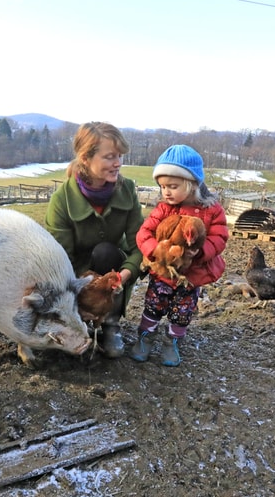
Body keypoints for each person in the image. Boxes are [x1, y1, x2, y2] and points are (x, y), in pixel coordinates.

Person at [45, 122, 144, 358]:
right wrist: (80, 297)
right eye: (109, 157)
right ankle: (76, 320)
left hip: (111, 267)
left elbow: (141, 246)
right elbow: (60, 260)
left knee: (106, 252)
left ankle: (110, 325)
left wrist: (123, 276)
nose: (118, 163)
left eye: (119, 156)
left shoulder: (127, 190)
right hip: (75, 273)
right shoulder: (62, 200)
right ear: (85, 158)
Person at [131, 144, 228, 366]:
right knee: (153, 306)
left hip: (191, 276)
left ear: (192, 183)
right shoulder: (164, 209)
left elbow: (220, 237)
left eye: (173, 186)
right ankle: (145, 338)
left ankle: (171, 342)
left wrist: (201, 252)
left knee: (182, 312)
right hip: (163, 273)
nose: (166, 192)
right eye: (163, 186)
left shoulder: (213, 210)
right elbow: (144, 233)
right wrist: (155, 251)